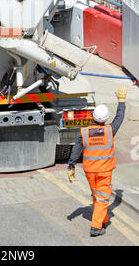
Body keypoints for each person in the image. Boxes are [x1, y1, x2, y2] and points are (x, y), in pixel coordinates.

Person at [67, 86, 127, 237]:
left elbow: (76, 150)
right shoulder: (109, 130)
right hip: (104, 172)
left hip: (89, 171)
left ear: (93, 116)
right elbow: (119, 118)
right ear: (105, 119)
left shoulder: (84, 132)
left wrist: (71, 166)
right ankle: (96, 227)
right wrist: (121, 101)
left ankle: (102, 219)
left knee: (97, 195)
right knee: (102, 198)